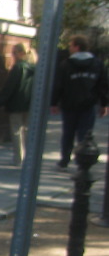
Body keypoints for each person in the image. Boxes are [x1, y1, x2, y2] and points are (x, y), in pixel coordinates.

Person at [51, 34, 109, 169]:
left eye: (71, 45)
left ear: (77, 46)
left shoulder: (66, 65)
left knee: (68, 133)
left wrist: (54, 102)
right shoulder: (97, 64)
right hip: (88, 104)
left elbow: (59, 84)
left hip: (69, 103)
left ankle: (65, 159)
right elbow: (103, 85)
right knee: (85, 134)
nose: (69, 48)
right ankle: (82, 161)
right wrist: (104, 103)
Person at [0, 42, 35, 166]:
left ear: (20, 53)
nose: (13, 55)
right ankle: (30, 157)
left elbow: (10, 87)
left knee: (16, 130)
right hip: (30, 103)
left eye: (14, 53)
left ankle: (19, 158)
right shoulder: (35, 68)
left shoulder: (18, 68)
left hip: (16, 103)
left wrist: (0, 101)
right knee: (28, 130)